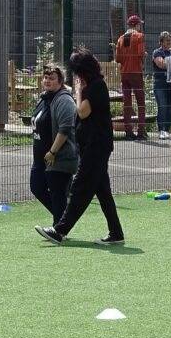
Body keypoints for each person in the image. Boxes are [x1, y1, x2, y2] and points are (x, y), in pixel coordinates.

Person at [35, 46, 124, 246]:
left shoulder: (96, 86)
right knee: (103, 192)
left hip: (96, 147)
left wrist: (76, 90)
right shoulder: (91, 86)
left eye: (76, 71)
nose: (75, 75)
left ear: (82, 71)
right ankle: (116, 233)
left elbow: (82, 112)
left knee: (80, 188)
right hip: (91, 146)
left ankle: (60, 230)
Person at [29, 63, 78, 225]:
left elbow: (65, 129)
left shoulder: (64, 99)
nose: (47, 81)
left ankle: (60, 227)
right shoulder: (44, 98)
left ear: (60, 80)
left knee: (58, 194)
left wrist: (53, 151)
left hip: (57, 158)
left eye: (52, 78)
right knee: (37, 187)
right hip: (40, 157)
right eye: (45, 77)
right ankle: (65, 219)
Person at [115, 14, 147, 140]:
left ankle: (128, 132)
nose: (140, 27)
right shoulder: (139, 36)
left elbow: (118, 59)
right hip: (136, 72)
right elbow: (140, 54)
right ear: (137, 25)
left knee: (127, 103)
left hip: (124, 74)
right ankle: (141, 131)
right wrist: (143, 54)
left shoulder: (120, 39)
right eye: (140, 25)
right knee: (141, 103)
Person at [152, 32, 171, 140]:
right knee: (162, 106)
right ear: (161, 42)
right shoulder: (157, 52)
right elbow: (161, 64)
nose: (169, 43)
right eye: (167, 41)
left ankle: (167, 129)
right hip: (160, 84)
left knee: (170, 107)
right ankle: (161, 130)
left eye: (170, 40)